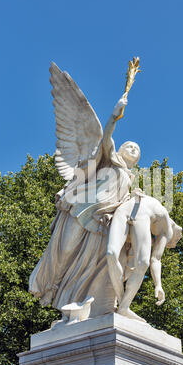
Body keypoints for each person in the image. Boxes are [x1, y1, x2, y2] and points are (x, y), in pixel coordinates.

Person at [29, 96, 142, 318]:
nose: (133, 147)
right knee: (66, 250)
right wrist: (114, 115)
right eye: (129, 144)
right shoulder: (111, 160)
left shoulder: (130, 179)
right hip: (82, 209)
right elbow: (107, 136)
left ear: (137, 160)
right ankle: (51, 288)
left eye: (137, 148)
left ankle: (83, 301)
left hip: (102, 221)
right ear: (119, 149)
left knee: (93, 263)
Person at [106, 192, 182, 322]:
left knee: (113, 254)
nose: (169, 244)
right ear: (177, 235)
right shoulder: (168, 230)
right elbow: (156, 259)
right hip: (139, 214)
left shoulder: (158, 210)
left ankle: (123, 305)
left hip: (127, 209)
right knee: (133, 261)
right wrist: (158, 284)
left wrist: (158, 285)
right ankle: (123, 304)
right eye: (172, 244)